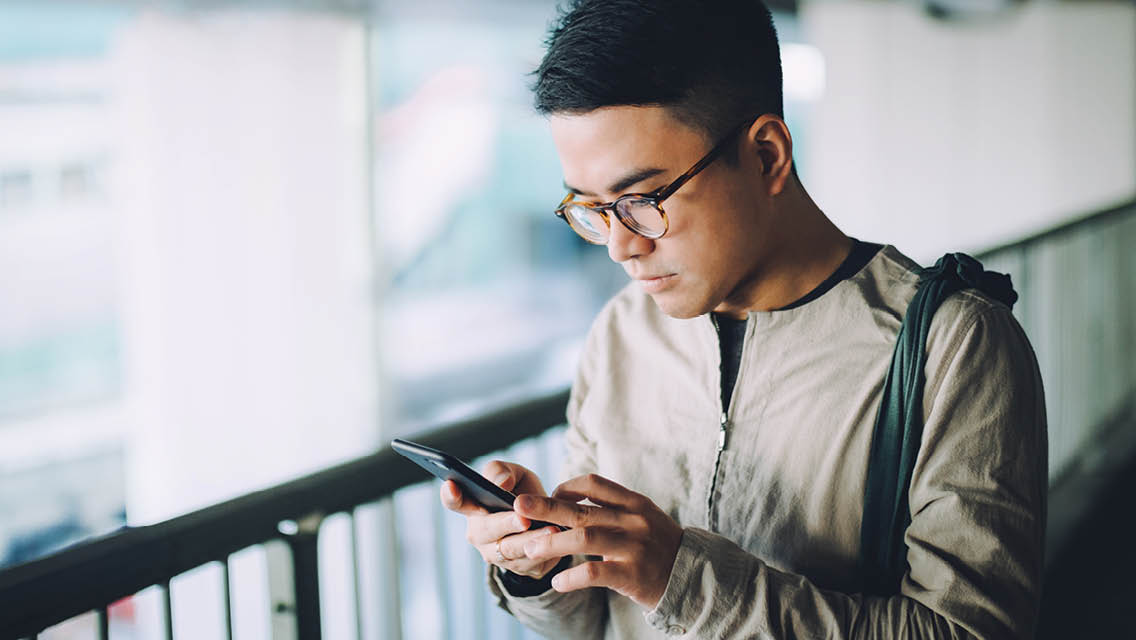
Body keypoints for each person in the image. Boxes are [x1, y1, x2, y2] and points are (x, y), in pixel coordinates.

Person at [440, 0, 1048, 637]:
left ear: (765, 156)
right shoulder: (622, 333)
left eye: (642, 200)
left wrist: (683, 579)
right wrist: (538, 562)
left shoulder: (952, 349)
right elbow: (596, 623)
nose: (621, 246)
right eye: (591, 207)